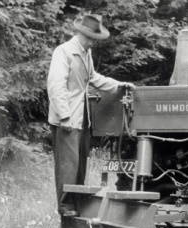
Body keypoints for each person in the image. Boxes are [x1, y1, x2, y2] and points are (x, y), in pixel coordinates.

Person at [47, 14, 135, 217]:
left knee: (80, 163)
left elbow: (93, 77)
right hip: (66, 118)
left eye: (94, 39)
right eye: (91, 39)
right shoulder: (64, 52)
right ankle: (65, 205)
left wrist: (117, 85)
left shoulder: (86, 53)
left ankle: (77, 202)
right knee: (68, 164)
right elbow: (55, 86)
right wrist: (64, 116)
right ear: (81, 34)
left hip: (81, 116)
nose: (93, 43)